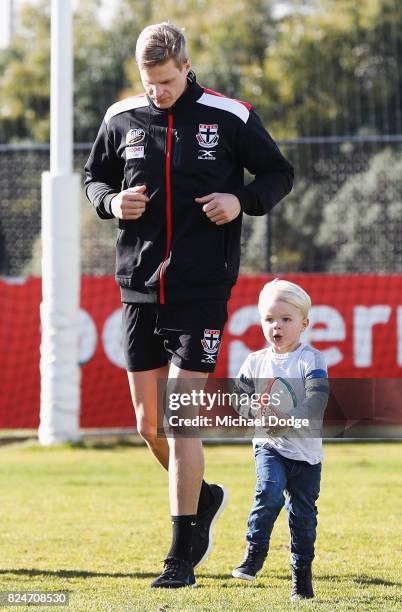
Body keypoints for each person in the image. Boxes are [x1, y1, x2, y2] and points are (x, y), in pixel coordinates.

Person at [84, 22, 294, 589]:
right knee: (148, 423)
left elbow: (279, 173)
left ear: (186, 65)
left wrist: (241, 199)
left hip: (203, 288)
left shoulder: (230, 116)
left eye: (168, 81)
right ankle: (206, 498)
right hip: (138, 287)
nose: (158, 92)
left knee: (180, 420)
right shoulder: (121, 118)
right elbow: (93, 177)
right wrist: (109, 201)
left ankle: (181, 557)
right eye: (150, 83)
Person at [232, 279, 328, 601]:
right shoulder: (254, 362)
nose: (277, 326)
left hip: (307, 455)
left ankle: (301, 578)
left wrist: (288, 419)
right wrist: (255, 415)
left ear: (304, 323)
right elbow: (238, 398)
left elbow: (317, 400)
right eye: (270, 319)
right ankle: (254, 553)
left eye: (286, 319)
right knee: (269, 492)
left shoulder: (310, 360)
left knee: (302, 517)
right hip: (269, 446)